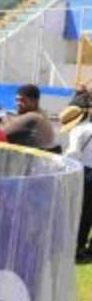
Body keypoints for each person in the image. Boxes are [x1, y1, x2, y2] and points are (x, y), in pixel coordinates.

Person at [60, 105, 92, 261]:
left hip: (85, 172)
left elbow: (73, 153)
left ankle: (77, 247)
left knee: (82, 213)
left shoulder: (80, 130)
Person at [3, 84, 59, 152]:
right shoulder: (40, 114)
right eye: (17, 100)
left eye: (22, 100)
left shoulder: (34, 117)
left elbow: (2, 133)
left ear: (34, 101)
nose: (18, 103)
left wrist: (5, 118)